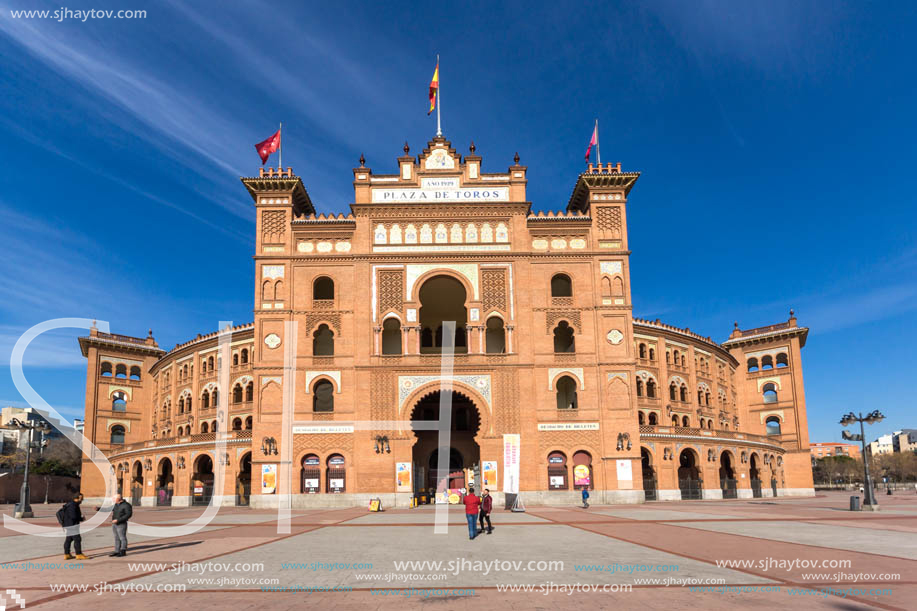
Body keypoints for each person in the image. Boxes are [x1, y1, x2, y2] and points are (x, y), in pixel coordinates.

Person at [61, 493, 87, 560]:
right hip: (72, 526)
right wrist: (81, 518)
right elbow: (73, 516)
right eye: (81, 498)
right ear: (78, 498)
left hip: (69, 525)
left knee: (69, 539)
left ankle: (67, 554)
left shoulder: (71, 504)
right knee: (77, 539)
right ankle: (78, 554)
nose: (82, 500)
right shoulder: (73, 505)